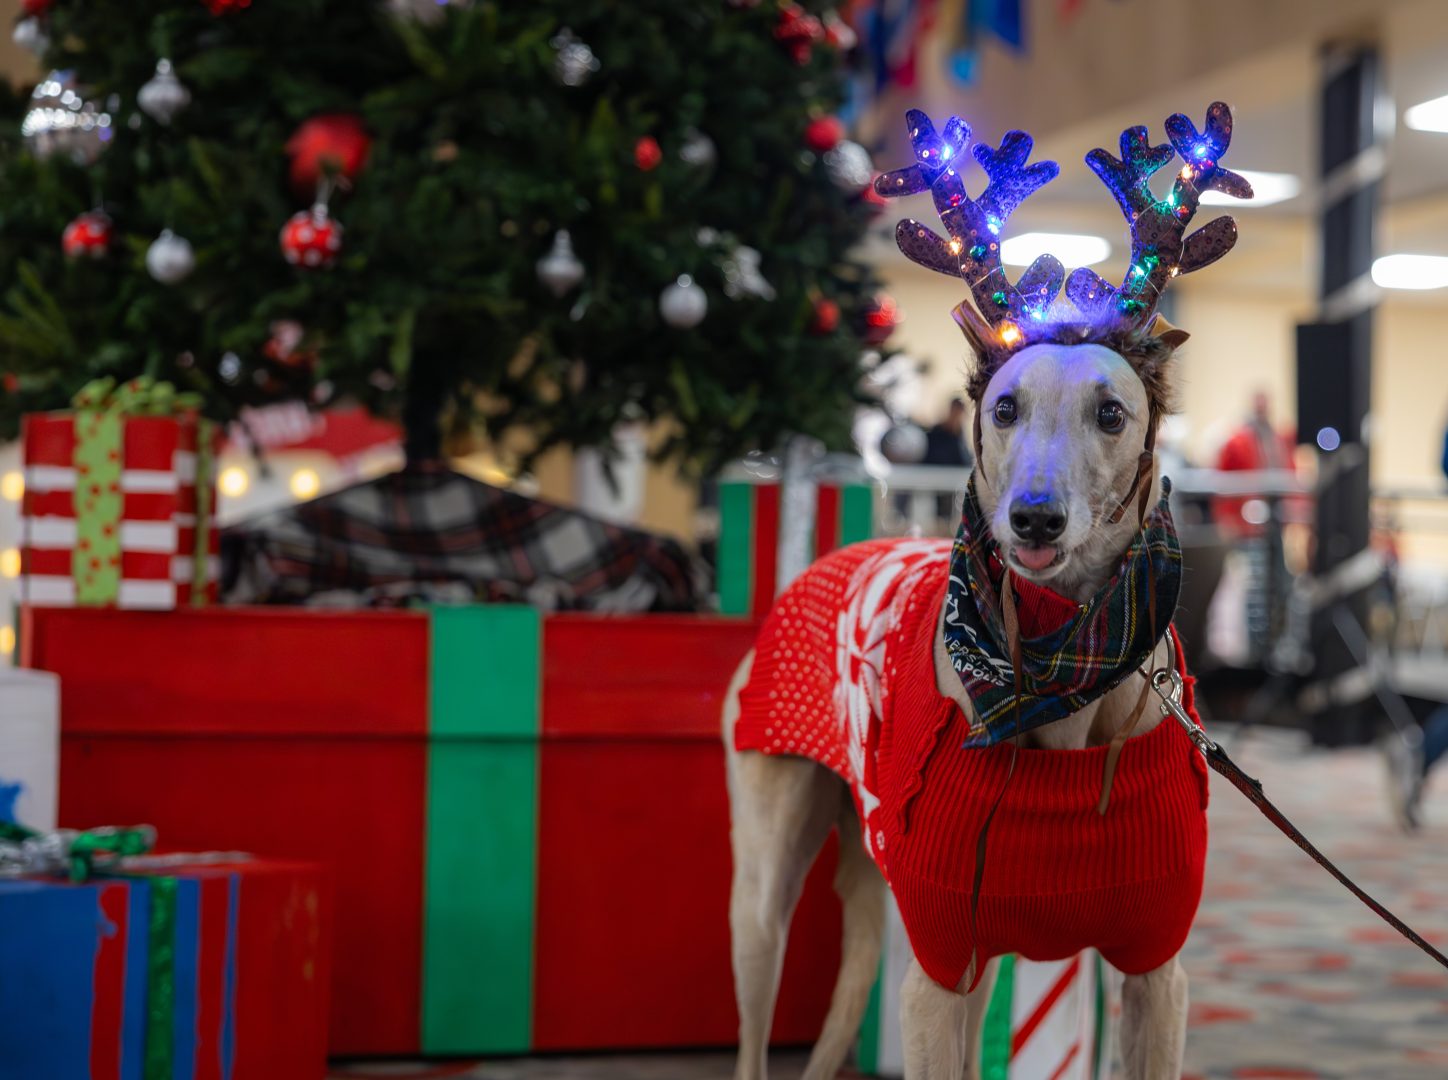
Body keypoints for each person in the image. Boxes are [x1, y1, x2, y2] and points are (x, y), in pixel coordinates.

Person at [922, 397, 973, 522]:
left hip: (952, 483)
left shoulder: (959, 436)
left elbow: (964, 460)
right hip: (933, 482)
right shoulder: (936, 432)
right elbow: (930, 456)